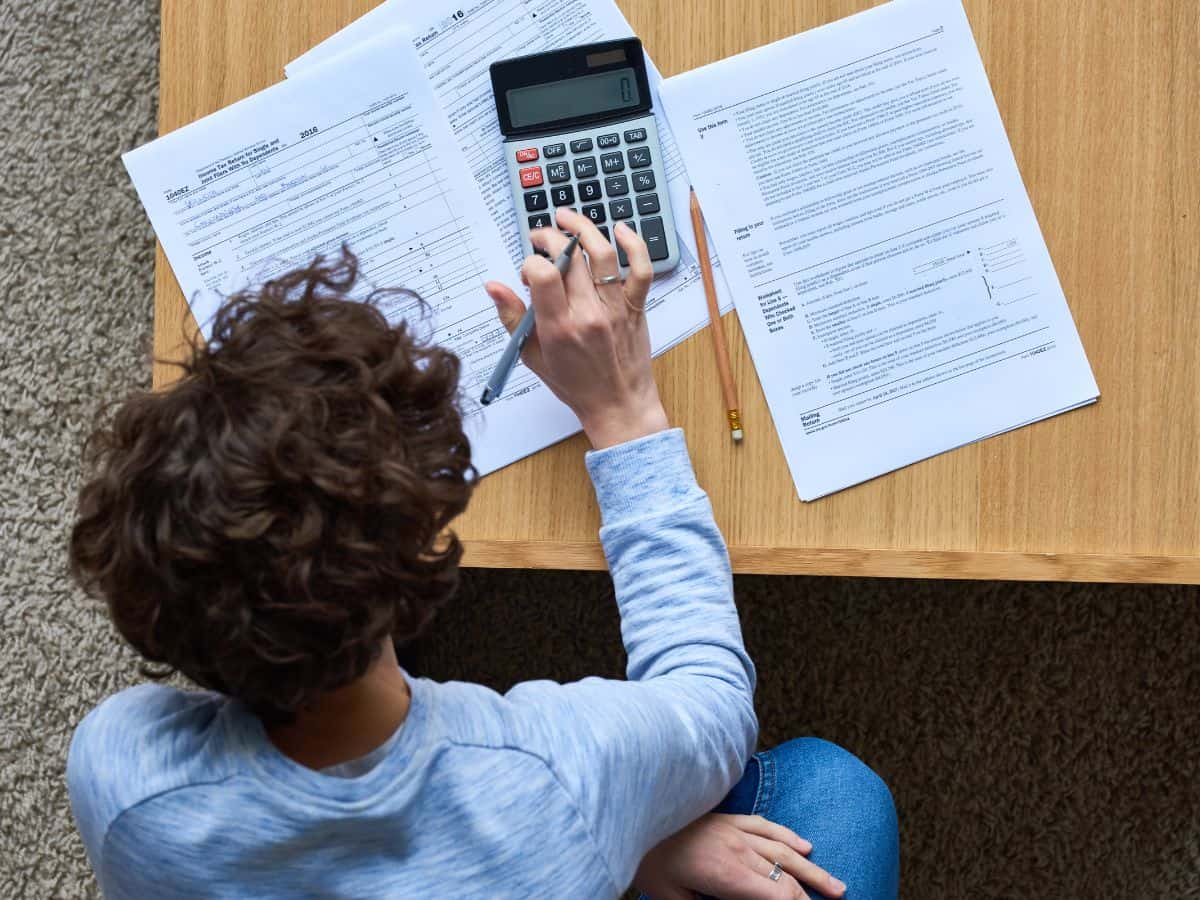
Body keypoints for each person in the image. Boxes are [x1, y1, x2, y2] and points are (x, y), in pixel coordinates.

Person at [67, 208, 898, 899]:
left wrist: (624, 841)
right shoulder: (559, 774)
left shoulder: (127, 778)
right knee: (835, 791)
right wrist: (625, 412)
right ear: (420, 545)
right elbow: (712, 706)